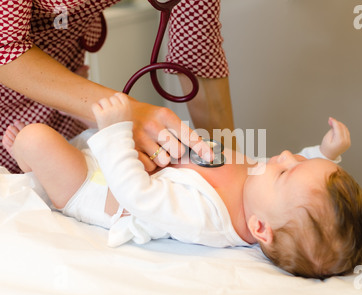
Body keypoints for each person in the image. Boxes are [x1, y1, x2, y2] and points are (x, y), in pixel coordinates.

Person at [2, 93, 362, 279]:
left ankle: (30, 165)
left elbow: (140, 197)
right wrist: (325, 154)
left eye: (287, 170)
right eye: (301, 160)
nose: (288, 155)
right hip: (123, 160)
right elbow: (300, 182)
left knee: (36, 138)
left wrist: (116, 133)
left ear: (260, 228)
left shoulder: (208, 218)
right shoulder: (261, 187)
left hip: (99, 189)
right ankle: (37, 161)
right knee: (76, 125)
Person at [0, 0, 232, 174]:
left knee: (58, 181)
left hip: (66, 98)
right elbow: (5, 45)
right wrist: (121, 111)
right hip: (38, 92)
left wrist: (229, 163)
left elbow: (199, 51)